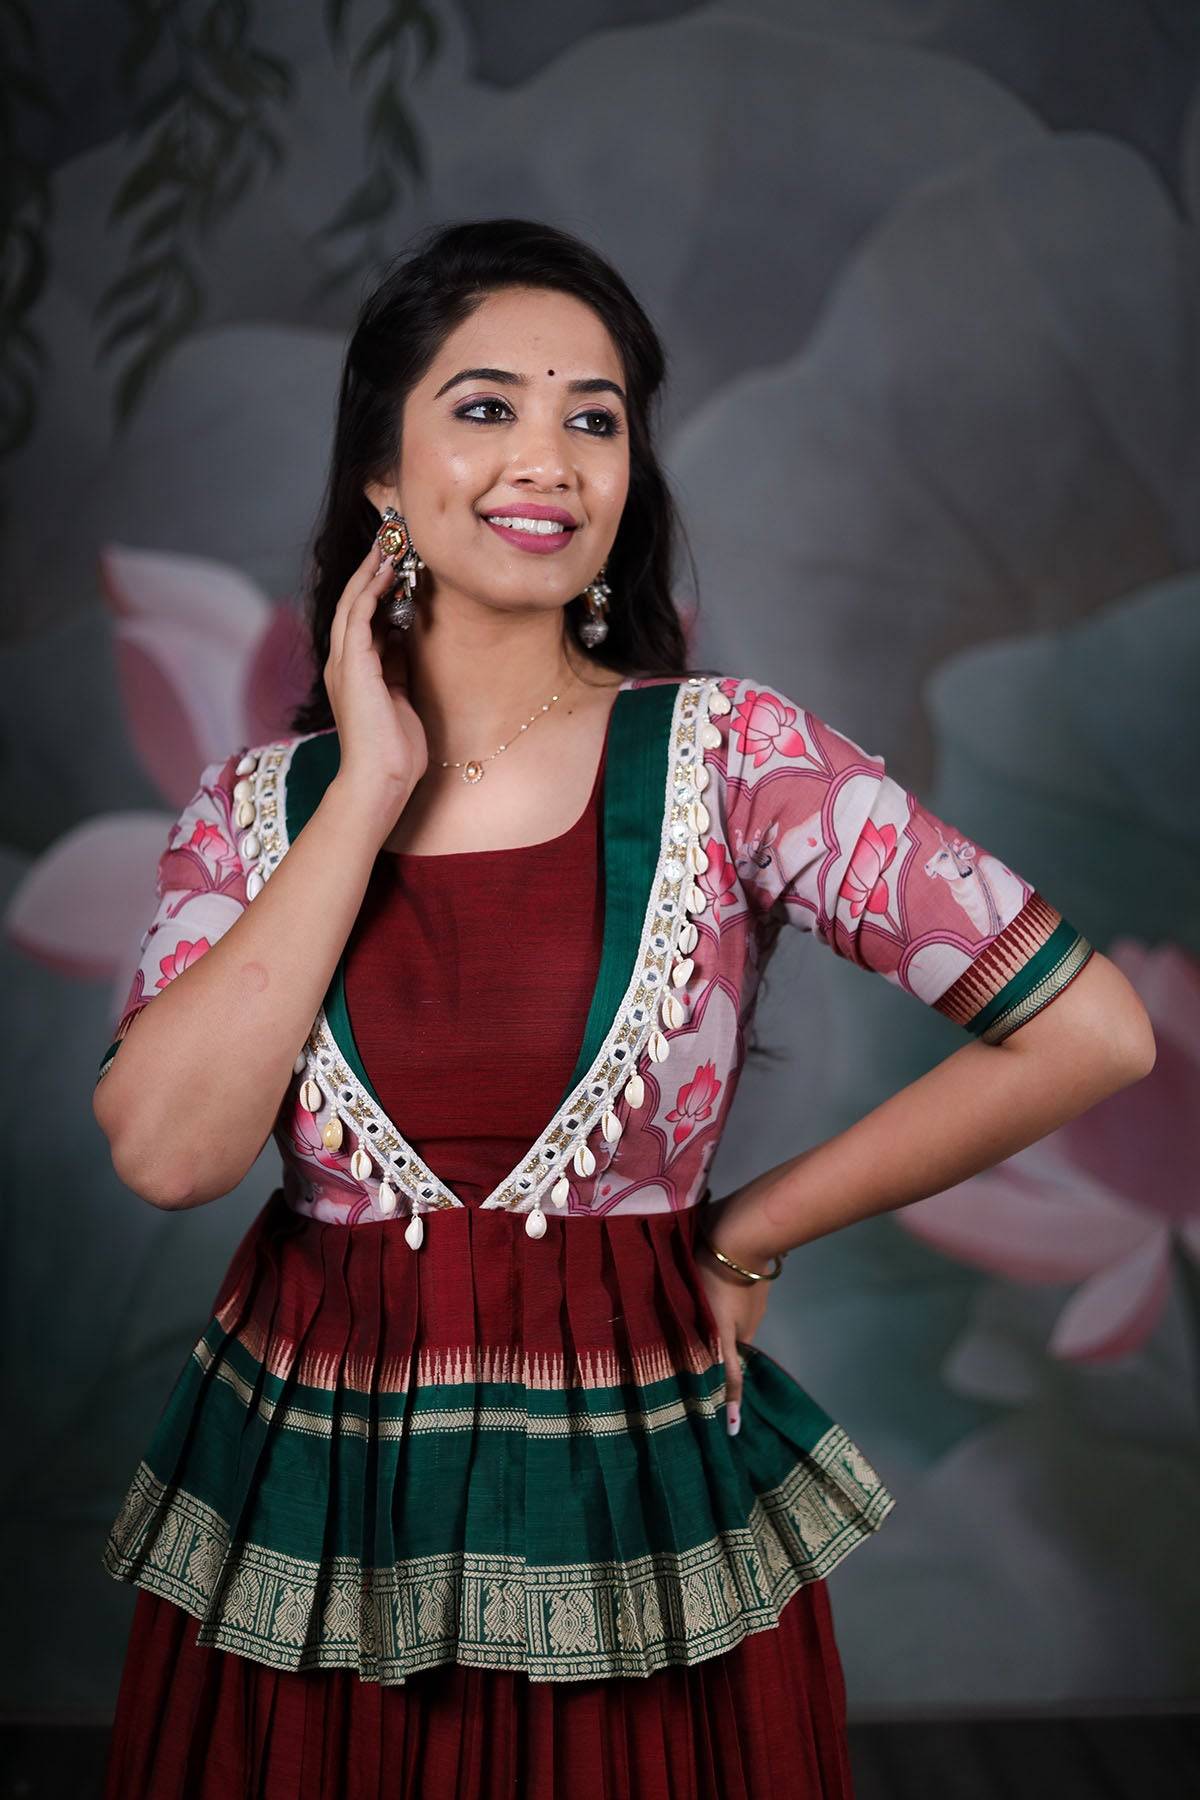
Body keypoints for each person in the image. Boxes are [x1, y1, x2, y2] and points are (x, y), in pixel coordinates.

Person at [92, 217, 1155, 1800]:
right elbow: (173, 1155)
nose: (551, 457)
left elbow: (1095, 1033)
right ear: (382, 471)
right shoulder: (249, 813)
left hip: (630, 1510)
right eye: (486, 406)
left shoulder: (742, 762)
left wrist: (748, 1229)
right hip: (309, 1522)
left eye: (594, 417)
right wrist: (367, 783)